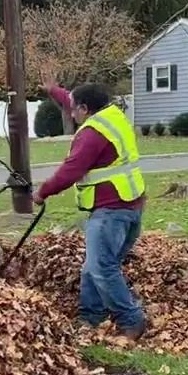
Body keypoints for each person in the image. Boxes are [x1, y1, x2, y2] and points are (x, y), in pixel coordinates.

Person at [33, 81, 147, 340]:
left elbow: (70, 171)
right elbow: (72, 99)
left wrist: (42, 193)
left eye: (74, 109)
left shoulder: (92, 134)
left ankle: (132, 321)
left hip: (111, 211)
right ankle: (90, 316)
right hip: (131, 203)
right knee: (96, 265)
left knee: (102, 267)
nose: (70, 113)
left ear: (85, 108)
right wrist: (53, 90)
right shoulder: (113, 116)